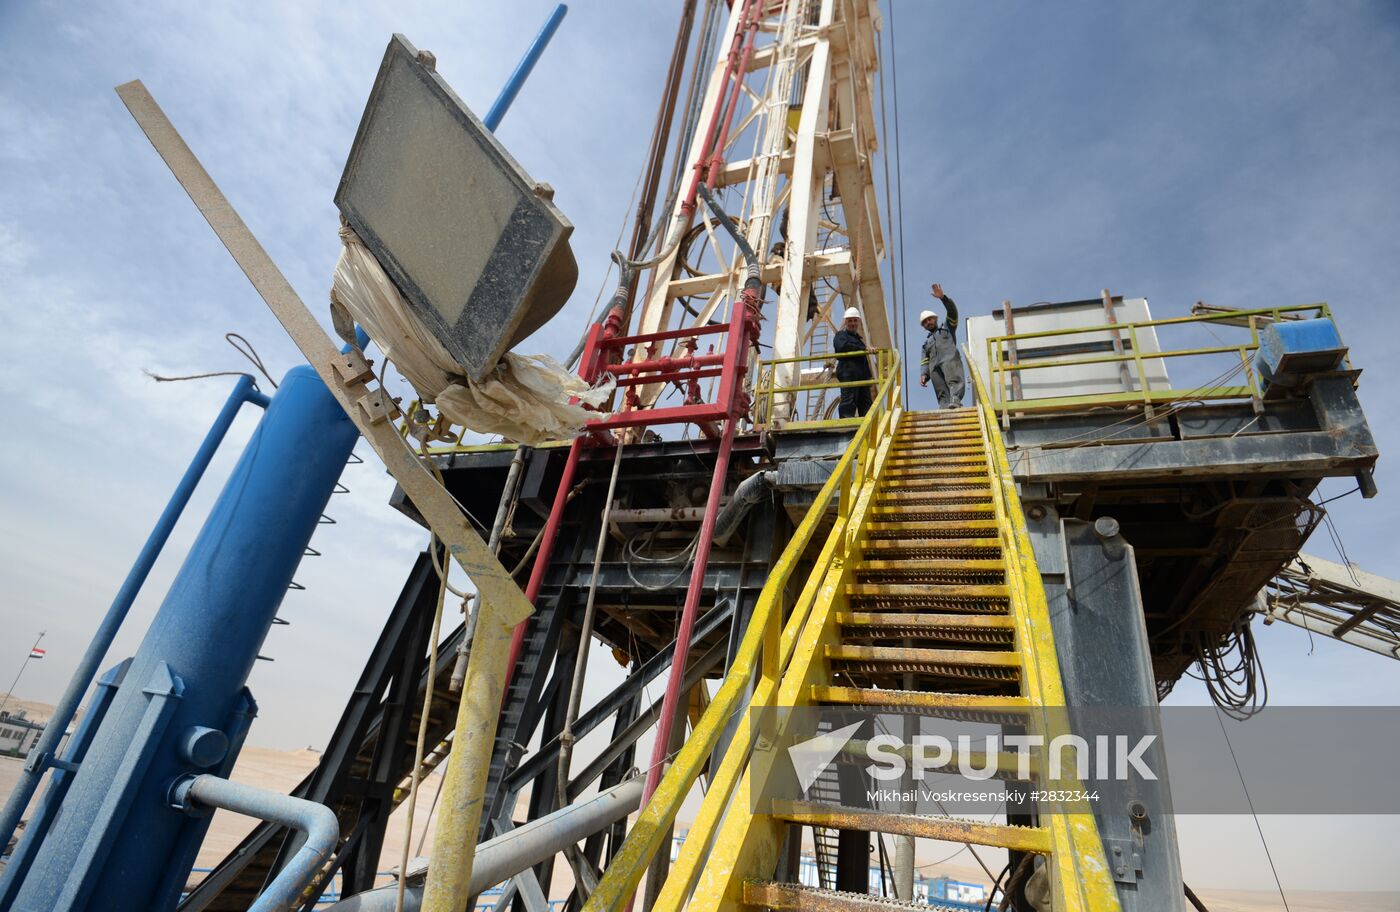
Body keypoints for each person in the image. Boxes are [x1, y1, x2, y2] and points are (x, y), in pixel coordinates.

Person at [919, 283, 966, 409]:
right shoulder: (926, 345)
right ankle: (944, 407)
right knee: (941, 390)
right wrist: (924, 375)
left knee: (953, 379)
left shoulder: (948, 327)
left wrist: (943, 298)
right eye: (925, 322)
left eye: (930, 319)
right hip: (934, 367)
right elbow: (924, 361)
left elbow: (952, 312)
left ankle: (955, 399)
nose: (928, 322)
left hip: (949, 360)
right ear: (923, 327)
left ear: (935, 318)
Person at [833, 306, 875, 418]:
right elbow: (842, 347)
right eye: (850, 320)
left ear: (858, 322)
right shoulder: (841, 335)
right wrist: (863, 349)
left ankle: (867, 424)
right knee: (848, 402)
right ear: (846, 322)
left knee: (866, 403)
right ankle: (846, 425)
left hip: (862, 376)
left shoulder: (859, 340)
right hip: (848, 374)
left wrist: (869, 376)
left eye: (855, 320)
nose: (853, 323)